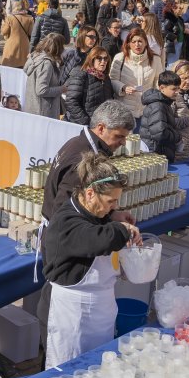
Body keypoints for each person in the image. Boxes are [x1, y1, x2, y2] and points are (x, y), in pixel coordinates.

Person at [42, 154, 142, 367]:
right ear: (89, 194)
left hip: (101, 310)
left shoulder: (93, 213)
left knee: (97, 367)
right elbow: (99, 239)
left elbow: (97, 222)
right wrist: (122, 228)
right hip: (71, 313)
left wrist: (111, 216)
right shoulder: (65, 222)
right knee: (67, 374)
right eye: (110, 201)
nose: (114, 206)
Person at [140, 70, 189, 163]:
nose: (177, 92)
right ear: (162, 88)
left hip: (160, 149)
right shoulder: (158, 106)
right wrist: (177, 138)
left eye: (178, 88)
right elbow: (160, 133)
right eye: (174, 89)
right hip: (156, 152)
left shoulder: (165, 103)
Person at [111, 28, 164, 123]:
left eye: (140, 41)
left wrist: (155, 100)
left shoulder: (155, 59)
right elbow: (112, 79)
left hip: (146, 110)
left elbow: (158, 81)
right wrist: (123, 87)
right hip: (124, 110)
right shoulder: (120, 58)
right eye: (133, 41)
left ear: (145, 43)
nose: (137, 45)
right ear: (128, 43)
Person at [63, 47, 115, 126]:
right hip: (81, 125)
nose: (103, 61)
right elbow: (71, 102)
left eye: (105, 58)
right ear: (92, 59)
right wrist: (86, 122)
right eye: (99, 58)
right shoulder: (81, 74)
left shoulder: (106, 78)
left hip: (100, 126)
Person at [24, 33, 66, 119]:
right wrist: (62, 89)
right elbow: (41, 90)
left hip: (34, 108)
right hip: (42, 111)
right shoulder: (46, 63)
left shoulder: (36, 57)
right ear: (58, 47)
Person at [0, 0, 35, 67]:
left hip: (12, 45)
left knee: (10, 68)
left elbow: (4, 32)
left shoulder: (10, 18)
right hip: (25, 45)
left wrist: (3, 23)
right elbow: (31, 33)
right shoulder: (30, 18)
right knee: (23, 68)